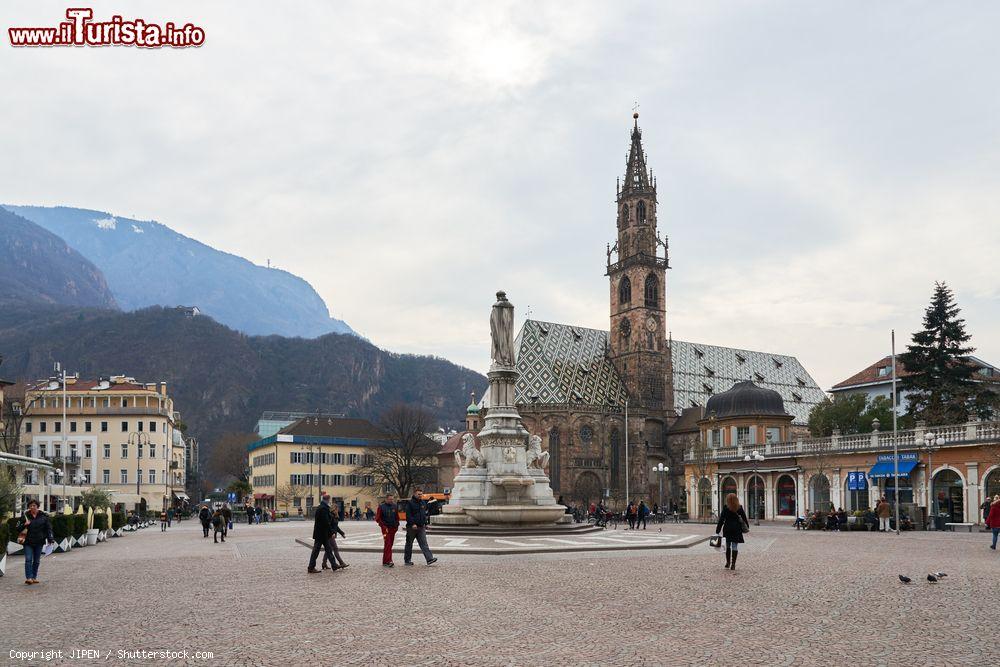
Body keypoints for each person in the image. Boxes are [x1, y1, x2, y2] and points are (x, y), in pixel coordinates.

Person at [15, 499, 54, 585]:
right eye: (30, 506)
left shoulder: (44, 516)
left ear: (37, 507)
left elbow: (48, 529)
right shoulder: (25, 516)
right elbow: (17, 528)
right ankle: (29, 578)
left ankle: (34, 577)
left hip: (39, 541)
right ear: (29, 507)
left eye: (34, 506)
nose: (32, 507)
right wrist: (24, 524)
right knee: (28, 559)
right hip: (28, 542)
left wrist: (50, 538)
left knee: (36, 561)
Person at [715, 493, 750, 571]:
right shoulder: (739, 508)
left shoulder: (725, 508)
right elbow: (744, 519)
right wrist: (747, 526)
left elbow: (721, 520)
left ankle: (728, 563)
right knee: (734, 546)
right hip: (736, 529)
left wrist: (717, 531)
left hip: (727, 529)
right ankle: (733, 564)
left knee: (727, 546)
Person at [404, 488, 438, 566]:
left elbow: (424, 515)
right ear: (414, 494)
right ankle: (407, 560)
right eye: (418, 494)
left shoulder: (423, 502)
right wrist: (413, 524)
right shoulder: (410, 503)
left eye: (421, 494)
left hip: (421, 527)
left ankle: (429, 559)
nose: (420, 495)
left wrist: (425, 524)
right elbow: (408, 515)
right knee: (409, 544)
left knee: (424, 543)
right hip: (412, 527)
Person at [308, 494, 336, 573]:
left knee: (329, 550)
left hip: (322, 533)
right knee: (316, 551)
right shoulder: (323, 508)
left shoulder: (321, 507)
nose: (329, 502)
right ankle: (311, 567)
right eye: (329, 500)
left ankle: (334, 565)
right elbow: (326, 522)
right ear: (327, 500)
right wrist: (331, 532)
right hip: (321, 534)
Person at [375, 493, 400, 568]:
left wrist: (396, 525)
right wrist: (383, 526)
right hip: (385, 528)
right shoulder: (381, 507)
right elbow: (378, 518)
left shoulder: (394, 506)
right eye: (390, 499)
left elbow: (397, 517)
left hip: (393, 528)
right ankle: (389, 560)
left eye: (392, 499)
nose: (391, 500)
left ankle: (385, 561)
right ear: (386, 499)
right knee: (388, 543)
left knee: (389, 544)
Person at [322, 504, 348, 571]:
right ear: (334, 509)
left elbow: (336, 527)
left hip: (332, 534)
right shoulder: (330, 516)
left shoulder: (335, 516)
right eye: (337, 509)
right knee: (335, 548)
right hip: (330, 535)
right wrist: (332, 533)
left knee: (328, 549)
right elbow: (329, 526)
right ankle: (341, 563)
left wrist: (342, 533)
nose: (338, 510)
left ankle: (324, 563)